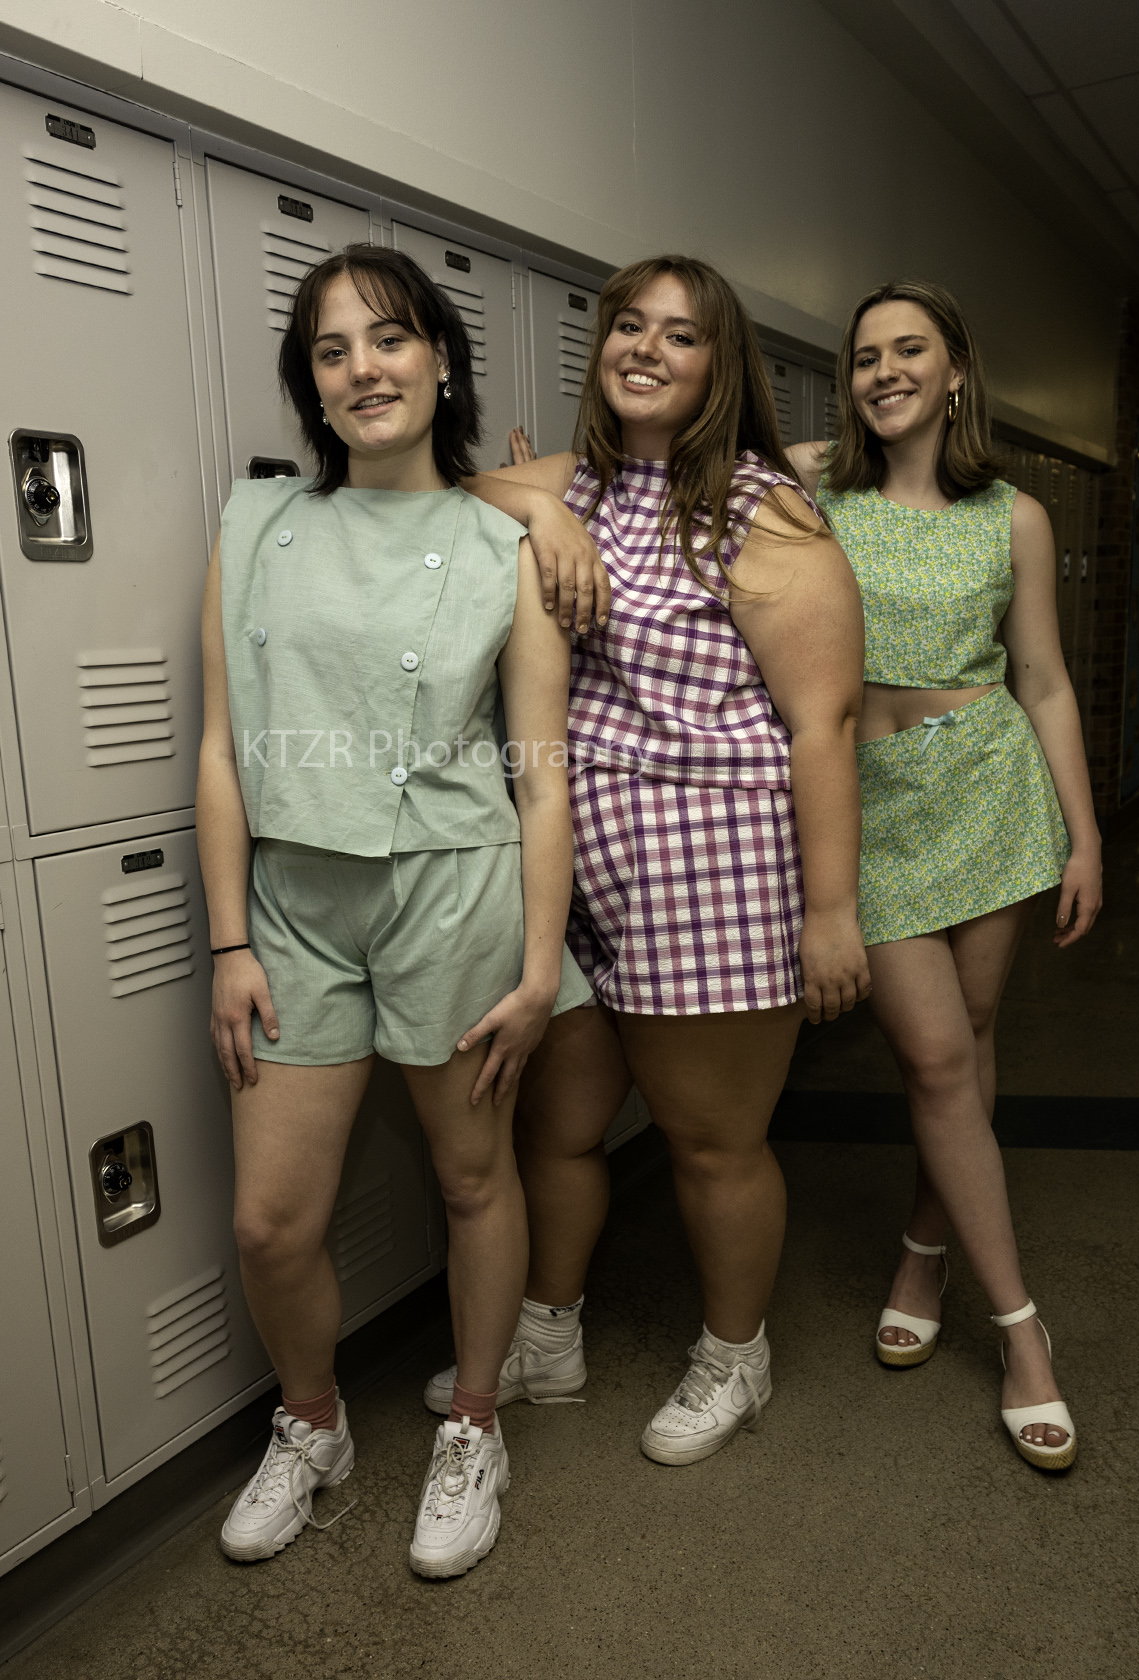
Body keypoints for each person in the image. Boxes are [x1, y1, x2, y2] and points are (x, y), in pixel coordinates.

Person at [426, 254, 871, 1464]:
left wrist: (831, 913)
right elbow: (451, 486)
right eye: (630, 325)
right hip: (574, 873)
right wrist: (550, 505)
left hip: (709, 874)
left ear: (720, 366)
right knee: (559, 1131)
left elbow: (824, 724)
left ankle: (736, 1356)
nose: (646, 349)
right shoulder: (590, 483)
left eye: (681, 336)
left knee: (709, 1141)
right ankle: (549, 1336)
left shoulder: (763, 511)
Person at [197, 243, 599, 1578]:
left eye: (388, 339)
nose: (362, 367)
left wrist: (540, 968)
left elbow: (542, 781)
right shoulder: (253, 525)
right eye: (330, 350)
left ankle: (474, 1423)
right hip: (294, 907)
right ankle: (313, 1425)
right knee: (271, 1221)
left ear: (440, 360)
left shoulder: (506, 542)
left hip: (454, 893)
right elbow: (219, 747)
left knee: (472, 1180)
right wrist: (228, 940)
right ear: (309, 387)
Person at [786, 279, 1101, 1470]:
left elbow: (1047, 682)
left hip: (987, 788)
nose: (884, 371)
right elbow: (680, 453)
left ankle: (924, 1245)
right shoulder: (818, 481)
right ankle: (1023, 1334)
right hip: (865, 808)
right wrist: (541, 495)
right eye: (865, 355)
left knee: (965, 1037)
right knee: (933, 1056)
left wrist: (1086, 834)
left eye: (909, 349)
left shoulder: (1013, 515)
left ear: (957, 368)